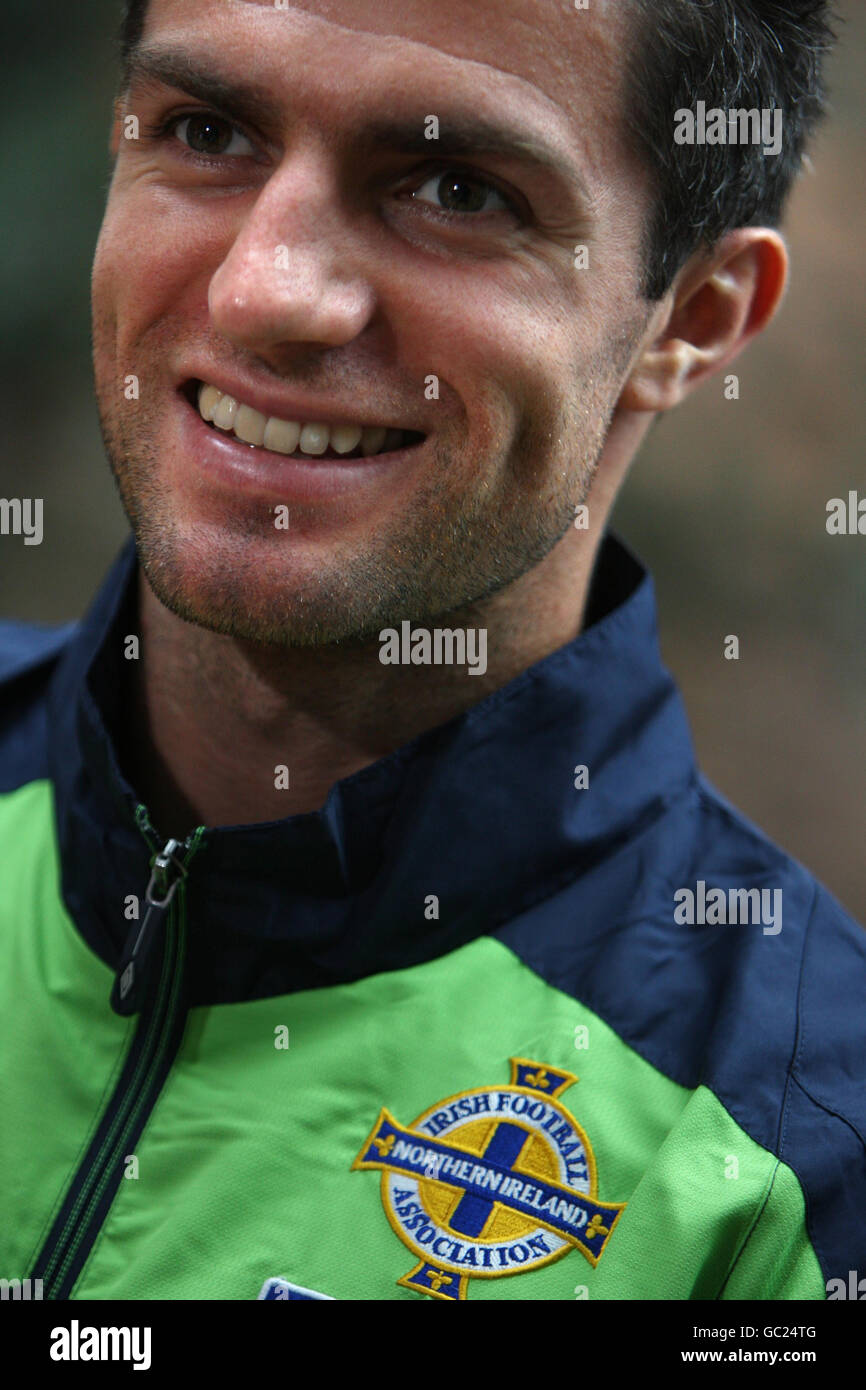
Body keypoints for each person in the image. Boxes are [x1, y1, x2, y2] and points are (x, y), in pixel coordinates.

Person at [1, 0, 861, 1303]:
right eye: (206, 129)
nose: (265, 288)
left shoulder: (796, 1157)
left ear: (692, 314)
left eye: (457, 189)